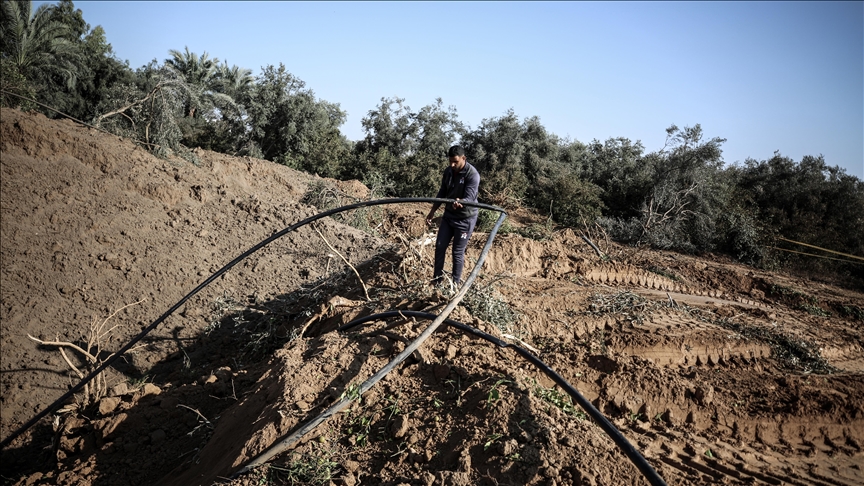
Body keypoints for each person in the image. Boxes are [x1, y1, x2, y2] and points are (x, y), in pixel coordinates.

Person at [425, 145, 480, 287]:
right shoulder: (448, 171)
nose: (452, 165)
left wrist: (461, 202)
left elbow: (470, 197)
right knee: (440, 246)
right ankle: (437, 281)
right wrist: (432, 211)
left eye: (455, 162)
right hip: (449, 216)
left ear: (463, 158)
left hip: (465, 219)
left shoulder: (472, 174)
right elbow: (442, 192)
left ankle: (454, 285)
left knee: (457, 252)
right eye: (450, 161)